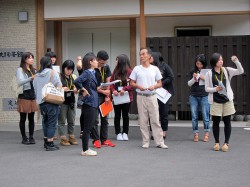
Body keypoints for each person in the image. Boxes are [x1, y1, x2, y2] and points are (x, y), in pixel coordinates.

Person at [129, 48, 168, 149]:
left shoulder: (154, 69)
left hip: (152, 96)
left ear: (149, 56)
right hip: (141, 97)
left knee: (155, 119)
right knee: (143, 120)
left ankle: (159, 142)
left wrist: (154, 86)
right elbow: (131, 83)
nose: (141, 56)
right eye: (140, 54)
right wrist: (138, 86)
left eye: (143, 54)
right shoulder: (137, 69)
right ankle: (145, 141)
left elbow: (160, 83)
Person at [205, 53, 244, 152]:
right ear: (214, 62)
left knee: (227, 122)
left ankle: (226, 143)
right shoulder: (209, 74)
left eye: (222, 60)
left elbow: (241, 71)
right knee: (216, 122)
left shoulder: (226, 70)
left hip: (227, 100)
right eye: (219, 60)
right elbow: (206, 89)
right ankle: (217, 142)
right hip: (215, 101)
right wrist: (215, 89)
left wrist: (236, 61)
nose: (221, 61)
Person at [33, 56, 62, 151]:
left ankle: (46, 141)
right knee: (52, 122)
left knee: (45, 121)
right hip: (51, 101)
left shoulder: (36, 75)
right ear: (49, 63)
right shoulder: (53, 72)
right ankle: (50, 143)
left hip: (41, 102)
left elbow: (35, 88)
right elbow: (59, 85)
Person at [74, 52, 99, 156]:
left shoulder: (92, 73)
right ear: (90, 62)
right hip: (89, 102)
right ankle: (85, 149)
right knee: (87, 128)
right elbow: (76, 81)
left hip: (92, 101)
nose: (97, 62)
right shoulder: (87, 73)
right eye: (95, 60)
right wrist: (82, 89)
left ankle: (85, 149)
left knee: (89, 126)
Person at [91, 50, 116, 148]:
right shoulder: (93, 69)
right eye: (102, 62)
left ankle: (104, 139)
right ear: (97, 59)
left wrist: (107, 95)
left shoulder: (106, 67)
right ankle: (96, 140)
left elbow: (108, 81)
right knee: (95, 119)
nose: (103, 64)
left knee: (105, 119)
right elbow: (92, 85)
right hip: (95, 96)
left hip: (104, 95)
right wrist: (103, 91)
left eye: (105, 62)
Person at [150, 52, 174, 139]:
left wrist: (161, 83)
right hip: (152, 92)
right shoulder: (150, 67)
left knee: (163, 113)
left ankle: (164, 132)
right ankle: (154, 132)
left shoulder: (164, 66)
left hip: (163, 92)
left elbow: (171, 76)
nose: (149, 58)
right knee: (153, 113)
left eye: (151, 57)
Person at [16, 52, 38, 145]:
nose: (32, 59)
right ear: (25, 59)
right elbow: (20, 82)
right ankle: (24, 137)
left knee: (32, 118)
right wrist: (30, 79)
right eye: (29, 58)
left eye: (32, 58)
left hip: (32, 96)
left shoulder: (33, 69)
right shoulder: (20, 70)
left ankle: (31, 137)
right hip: (24, 95)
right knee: (23, 118)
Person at [110, 54, 133, 141]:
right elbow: (111, 82)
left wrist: (125, 89)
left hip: (126, 97)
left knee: (125, 115)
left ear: (122, 61)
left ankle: (125, 133)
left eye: (117, 60)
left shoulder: (129, 71)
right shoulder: (115, 71)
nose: (116, 62)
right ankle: (118, 133)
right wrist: (113, 90)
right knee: (117, 115)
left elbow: (132, 84)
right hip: (117, 97)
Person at [188, 54, 210, 142]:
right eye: (197, 64)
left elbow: (211, 82)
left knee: (205, 115)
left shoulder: (208, 71)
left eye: (201, 64)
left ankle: (207, 133)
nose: (199, 66)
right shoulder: (193, 71)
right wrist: (194, 78)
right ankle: (195, 133)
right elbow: (189, 84)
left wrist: (202, 77)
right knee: (194, 115)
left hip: (205, 95)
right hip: (193, 95)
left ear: (204, 64)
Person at [58, 60, 78, 146]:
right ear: (63, 68)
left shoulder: (73, 77)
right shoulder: (59, 77)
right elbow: (54, 88)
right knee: (62, 121)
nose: (69, 71)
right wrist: (62, 89)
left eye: (71, 69)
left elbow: (78, 89)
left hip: (71, 101)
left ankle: (71, 136)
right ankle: (63, 138)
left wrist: (76, 90)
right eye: (67, 69)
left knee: (71, 120)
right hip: (62, 101)